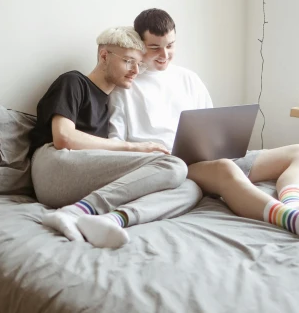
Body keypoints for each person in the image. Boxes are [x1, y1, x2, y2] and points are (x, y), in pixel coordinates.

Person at [109, 9, 299, 241]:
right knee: (225, 168)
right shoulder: (126, 88)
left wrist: (221, 141)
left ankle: (297, 208)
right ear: (140, 45)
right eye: (154, 48)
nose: (164, 54)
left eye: (170, 45)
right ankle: (293, 221)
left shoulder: (187, 78)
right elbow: (116, 146)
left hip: (211, 158)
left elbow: (210, 124)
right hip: (174, 167)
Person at [29, 26, 202, 248]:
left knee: (190, 187)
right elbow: (63, 137)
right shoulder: (74, 82)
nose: (136, 71)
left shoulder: (111, 104)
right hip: (52, 165)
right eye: (129, 61)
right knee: (173, 165)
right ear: (104, 56)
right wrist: (132, 148)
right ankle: (74, 212)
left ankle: (110, 218)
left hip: (81, 175)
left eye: (139, 64)